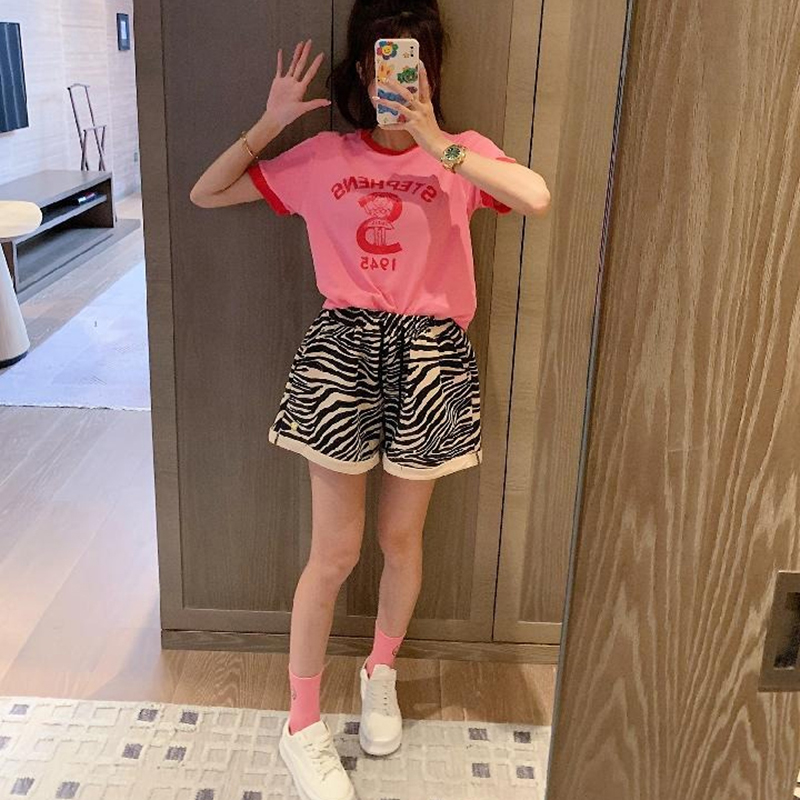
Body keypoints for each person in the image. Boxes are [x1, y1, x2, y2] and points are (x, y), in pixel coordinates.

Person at [190, 2, 550, 797]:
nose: (402, 78)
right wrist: (270, 122)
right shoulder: (324, 157)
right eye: (388, 61)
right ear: (364, 69)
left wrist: (438, 142)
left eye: (417, 64)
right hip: (344, 353)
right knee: (335, 552)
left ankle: (379, 671)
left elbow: (535, 196)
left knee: (401, 539)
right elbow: (207, 194)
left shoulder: (460, 155)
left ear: (432, 73)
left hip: (431, 358)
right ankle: (301, 722)